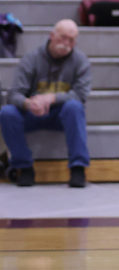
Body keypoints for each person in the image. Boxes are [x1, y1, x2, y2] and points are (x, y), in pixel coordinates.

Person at [0, 19, 91, 188]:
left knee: (75, 107)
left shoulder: (81, 61)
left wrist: (52, 98)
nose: (66, 43)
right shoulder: (31, 59)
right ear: (52, 35)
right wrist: (28, 103)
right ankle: (24, 167)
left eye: (71, 40)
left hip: (61, 114)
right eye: (63, 37)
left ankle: (78, 168)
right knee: (7, 113)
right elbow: (13, 94)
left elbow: (80, 95)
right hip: (32, 112)